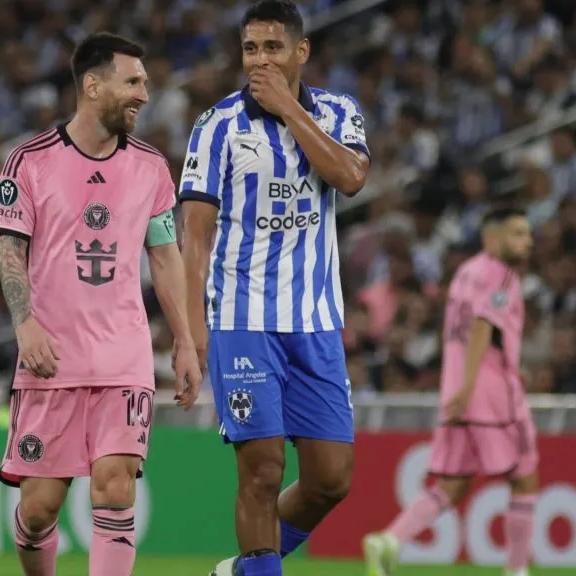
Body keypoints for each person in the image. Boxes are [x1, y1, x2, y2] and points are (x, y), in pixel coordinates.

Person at [0, 32, 203, 576]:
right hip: (50, 358)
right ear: (92, 84)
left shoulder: (152, 167)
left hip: (122, 358)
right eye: (133, 82)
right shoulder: (29, 161)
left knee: (114, 487)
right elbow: (10, 251)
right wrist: (24, 324)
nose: (144, 95)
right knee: (38, 512)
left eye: (145, 83)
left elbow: (165, 256)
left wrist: (183, 340)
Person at [178, 1, 371, 574]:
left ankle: (240, 570)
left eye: (272, 48)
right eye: (250, 49)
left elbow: (352, 177)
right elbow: (194, 237)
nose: (260, 60)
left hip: (314, 324)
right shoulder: (216, 127)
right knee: (261, 472)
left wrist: (288, 109)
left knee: (331, 481)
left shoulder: (338, 112)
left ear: (301, 51)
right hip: (242, 321)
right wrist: (192, 332)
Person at [363, 207, 537, 576]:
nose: (528, 242)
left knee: (454, 483)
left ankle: (389, 541)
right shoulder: (502, 276)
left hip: (457, 389)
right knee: (525, 476)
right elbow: (481, 327)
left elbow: (460, 334)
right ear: (493, 238)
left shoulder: (465, 273)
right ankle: (517, 570)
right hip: (489, 395)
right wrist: (474, 385)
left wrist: (459, 387)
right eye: (518, 233)